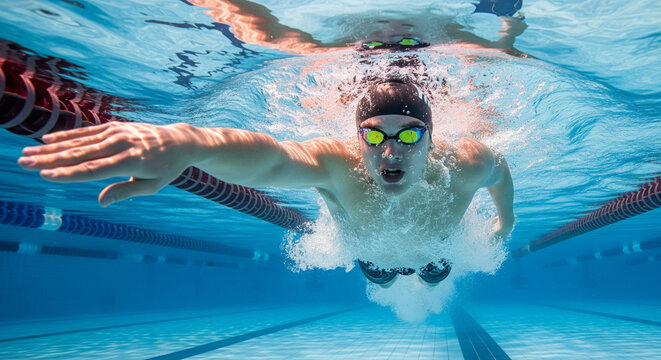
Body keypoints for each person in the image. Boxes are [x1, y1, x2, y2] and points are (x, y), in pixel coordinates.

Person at [17, 78, 514, 288]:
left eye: (409, 135)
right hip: (373, 256)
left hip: (436, 253)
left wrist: (506, 223)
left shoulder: (467, 162)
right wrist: (194, 144)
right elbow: (272, 161)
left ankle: (426, 274)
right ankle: (383, 275)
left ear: (433, 139)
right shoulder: (335, 164)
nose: (390, 152)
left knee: (433, 273)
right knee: (380, 274)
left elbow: (502, 173)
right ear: (355, 138)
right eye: (373, 135)